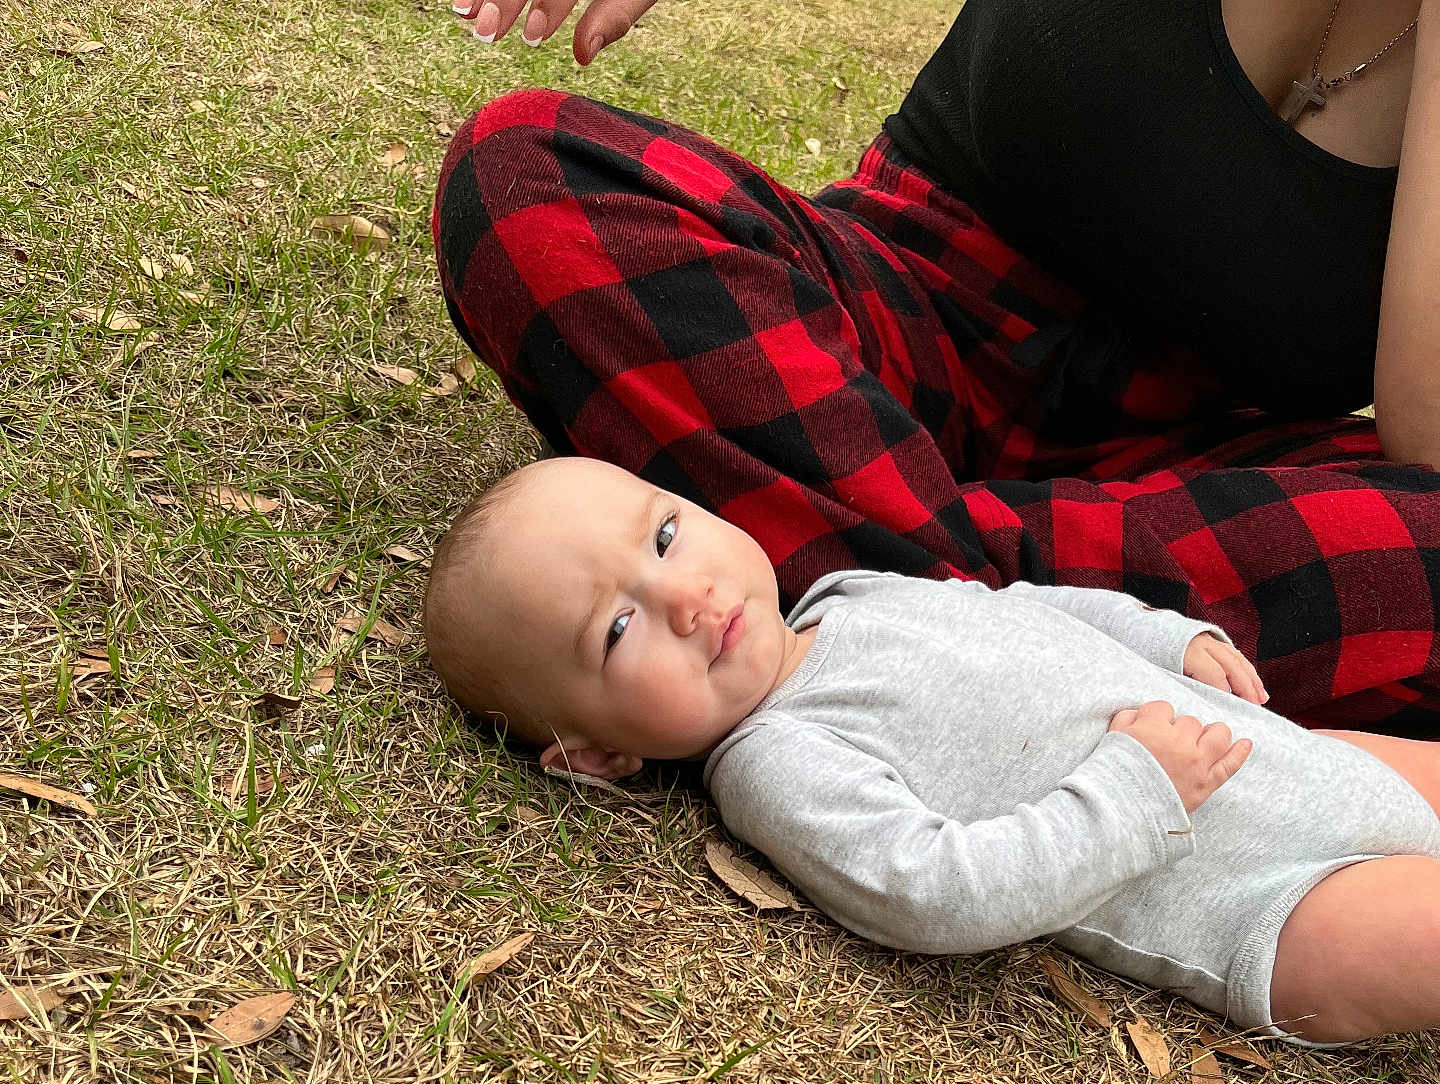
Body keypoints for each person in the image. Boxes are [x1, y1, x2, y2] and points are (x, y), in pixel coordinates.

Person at [433, 1, 1440, 735]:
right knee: (521, 169)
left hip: (1190, 465)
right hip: (882, 340)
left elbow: (1424, 429)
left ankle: (876, 589)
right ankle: (1026, 637)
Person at [423, 455, 1440, 1044]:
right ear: (596, 754)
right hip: (1265, 906)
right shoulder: (776, 761)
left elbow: (1027, 611)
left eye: (664, 538)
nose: (685, 596)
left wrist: (1165, 639)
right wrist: (1130, 794)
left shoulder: (855, 592)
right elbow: (933, 893)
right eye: (616, 629)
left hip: (1293, 757)